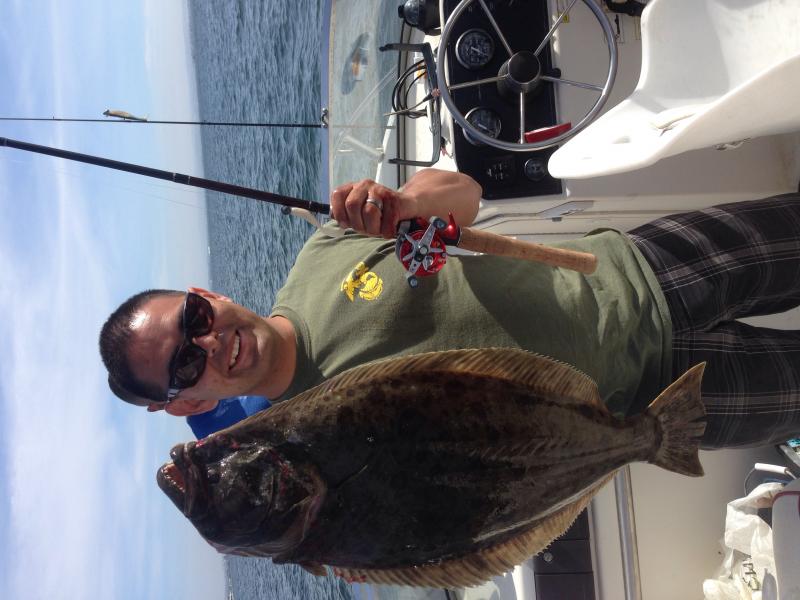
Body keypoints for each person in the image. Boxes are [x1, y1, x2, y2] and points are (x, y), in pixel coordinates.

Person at [99, 168, 800, 449]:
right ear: (189, 405)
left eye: (193, 319)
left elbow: (464, 194)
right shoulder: (318, 444)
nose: (209, 342)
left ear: (208, 295)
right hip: (652, 403)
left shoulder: (325, 250)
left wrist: (407, 204)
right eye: (185, 366)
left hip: (640, 273)